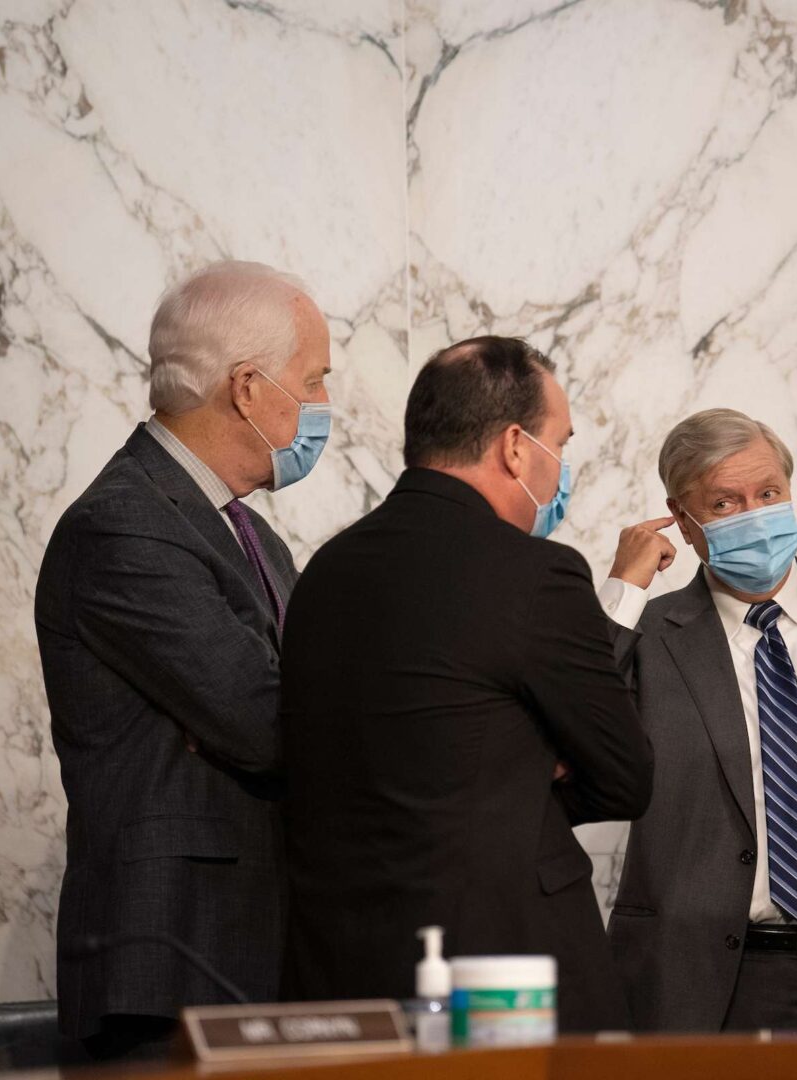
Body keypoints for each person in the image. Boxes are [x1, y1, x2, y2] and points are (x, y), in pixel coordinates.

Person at [278, 336, 652, 1032]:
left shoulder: (324, 571)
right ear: (516, 447)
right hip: (495, 979)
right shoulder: (537, 573)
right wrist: (530, 761)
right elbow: (626, 775)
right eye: (558, 445)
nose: (559, 469)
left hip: (339, 969)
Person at [35, 261, 331, 1058]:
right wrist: (283, 712)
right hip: (172, 959)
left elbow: (301, 704)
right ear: (247, 387)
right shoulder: (124, 522)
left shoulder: (253, 534)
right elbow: (269, 721)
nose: (325, 408)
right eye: (315, 380)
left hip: (260, 952)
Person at [598, 409, 797, 1031]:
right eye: (723, 502)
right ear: (683, 521)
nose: (754, 515)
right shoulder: (653, 636)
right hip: (703, 984)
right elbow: (572, 727)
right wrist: (623, 589)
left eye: (768, 494)